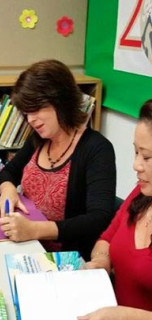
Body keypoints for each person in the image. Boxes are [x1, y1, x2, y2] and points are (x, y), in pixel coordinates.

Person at [0, 59, 116, 260]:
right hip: (26, 245)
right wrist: (9, 190)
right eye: (27, 113)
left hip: (64, 257)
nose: (31, 120)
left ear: (61, 101)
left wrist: (35, 230)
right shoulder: (38, 140)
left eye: (37, 109)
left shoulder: (97, 149)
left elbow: (98, 219)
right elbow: (8, 173)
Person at [78, 100, 152, 319]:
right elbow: (107, 238)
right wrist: (102, 260)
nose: (136, 165)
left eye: (146, 157)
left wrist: (126, 316)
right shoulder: (142, 193)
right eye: (135, 152)